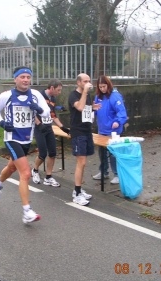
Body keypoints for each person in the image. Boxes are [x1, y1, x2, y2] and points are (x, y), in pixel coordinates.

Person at [0, 66, 50, 224]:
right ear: (15, 79)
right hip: (12, 138)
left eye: (28, 77)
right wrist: (2, 122)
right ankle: (26, 211)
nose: (25, 80)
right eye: (22, 77)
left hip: (26, 139)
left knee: (11, 168)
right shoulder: (7, 95)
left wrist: (38, 109)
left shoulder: (35, 95)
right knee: (26, 173)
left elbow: (46, 112)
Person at [69, 73, 101, 206]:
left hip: (87, 131)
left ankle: (79, 189)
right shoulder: (74, 95)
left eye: (89, 81)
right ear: (78, 82)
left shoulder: (87, 96)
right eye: (85, 81)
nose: (88, 83)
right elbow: (80, 107)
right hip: (78, 132)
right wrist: (85, 92)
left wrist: (93, 108)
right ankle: (76, 193)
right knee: (81, 162)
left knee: (84, 162)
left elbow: (86, 110)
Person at [31, 79, 70, 187]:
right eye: (58, 90)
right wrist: (39, 124)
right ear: (52, 88)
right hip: (39, 128)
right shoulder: (39, 96)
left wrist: (63, 127)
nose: (60, 92)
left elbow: (52, 115)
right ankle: (35, 170)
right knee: (42, 154)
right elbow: (32, 112)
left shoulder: (52, 98)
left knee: (52, 153)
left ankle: (48, 177)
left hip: (48, 127)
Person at [92, 75, 128, 184]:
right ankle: (104, 171)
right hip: (102, 129)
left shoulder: (115, 96)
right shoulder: (98, 97)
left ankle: (117, 174)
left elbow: (122, 112)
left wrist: (118, 121)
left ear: (108, 85)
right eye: (100, 87)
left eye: (104, 86)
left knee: (113, 153)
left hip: (113, 131)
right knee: (101, 152)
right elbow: (96, 110)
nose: (102, 89)